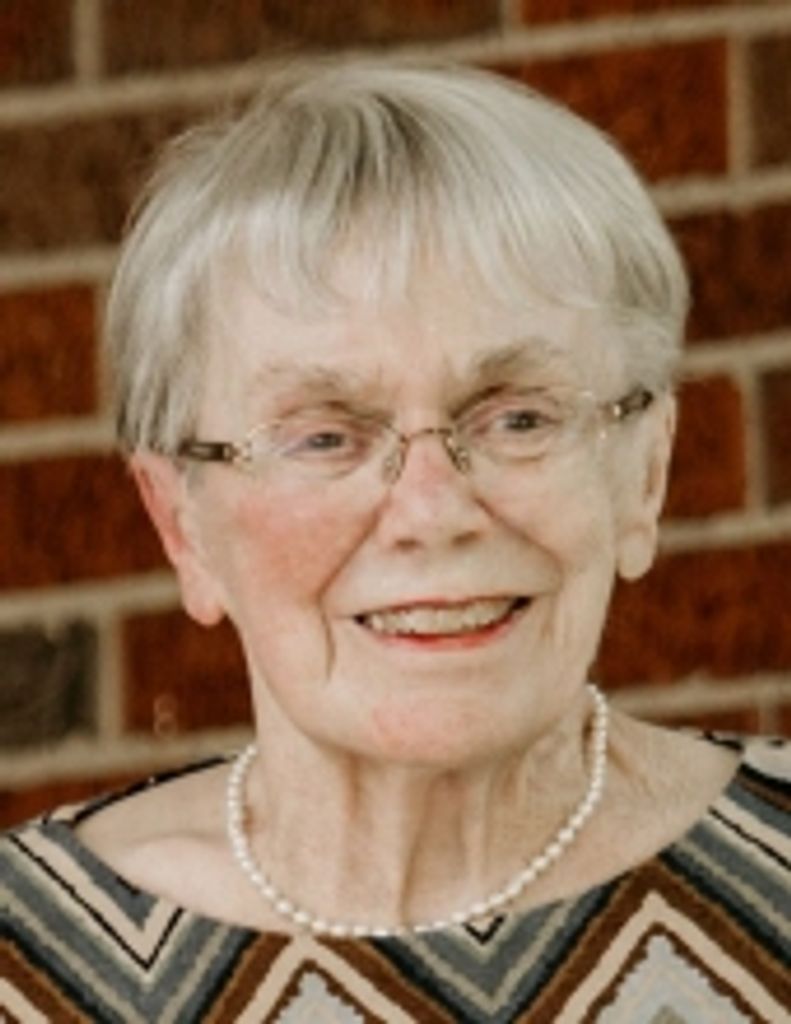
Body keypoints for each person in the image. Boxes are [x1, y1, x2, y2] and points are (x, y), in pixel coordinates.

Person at [2, 57, 788, 1023]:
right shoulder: (25, 966)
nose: (431, 510)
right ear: (181, 525)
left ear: (645, 474)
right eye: (324, 437)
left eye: (518, 418)